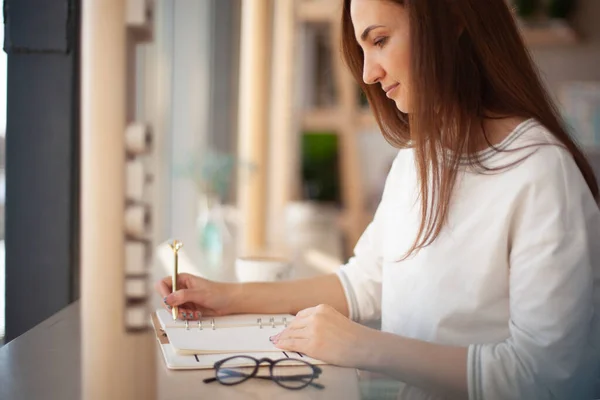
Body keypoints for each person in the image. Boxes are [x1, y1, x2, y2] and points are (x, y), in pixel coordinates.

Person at [155, 0, 600, 398]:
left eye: (380, 40)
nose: (368, 73)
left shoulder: (541, 173)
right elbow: (365, 283)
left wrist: (362, 346)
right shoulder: (417, 159)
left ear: (453, 21)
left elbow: (545, 378)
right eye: (363, 50)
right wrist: (227, 297)